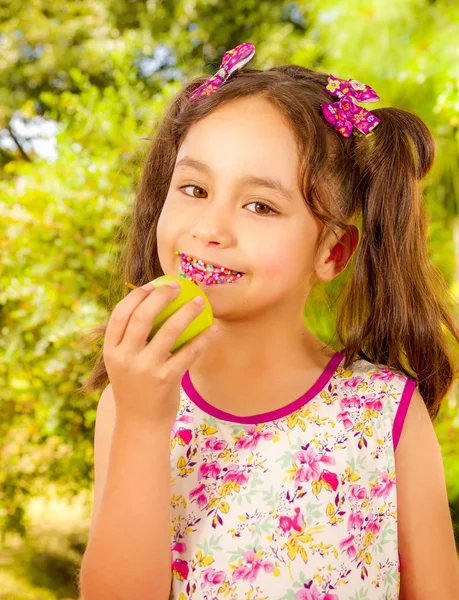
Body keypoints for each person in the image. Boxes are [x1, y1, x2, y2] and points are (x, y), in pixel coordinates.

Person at [78, 43, 459, 600]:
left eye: (260, 206)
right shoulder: (129, 404)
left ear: (332, 251)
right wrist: (142, 424)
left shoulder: (385, 414)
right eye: (194, 189)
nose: (210, 227)